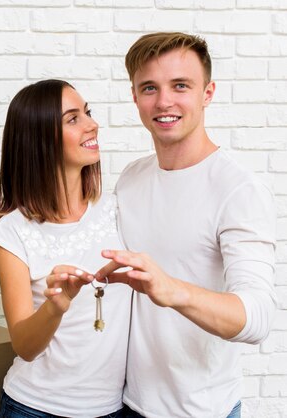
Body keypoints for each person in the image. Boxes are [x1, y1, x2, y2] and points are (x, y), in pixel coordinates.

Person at [95, 32, 277, 418]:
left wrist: (171, 289)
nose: (163, 102)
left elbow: (258, 316)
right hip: (127, 404)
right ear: (134, 97)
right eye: (149, 88)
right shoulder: (131, 177)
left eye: (180, 86)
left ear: (207, 93)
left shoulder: (239, 190)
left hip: (201, 411)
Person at [0, 79, 132, 418]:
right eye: (73, 119)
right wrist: (57, 303)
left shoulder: (117, 210)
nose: (92, 124)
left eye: (88, 113)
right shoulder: (11, 233)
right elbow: (25, 346)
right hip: (35, 408)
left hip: (115, 409)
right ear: (39, 139)